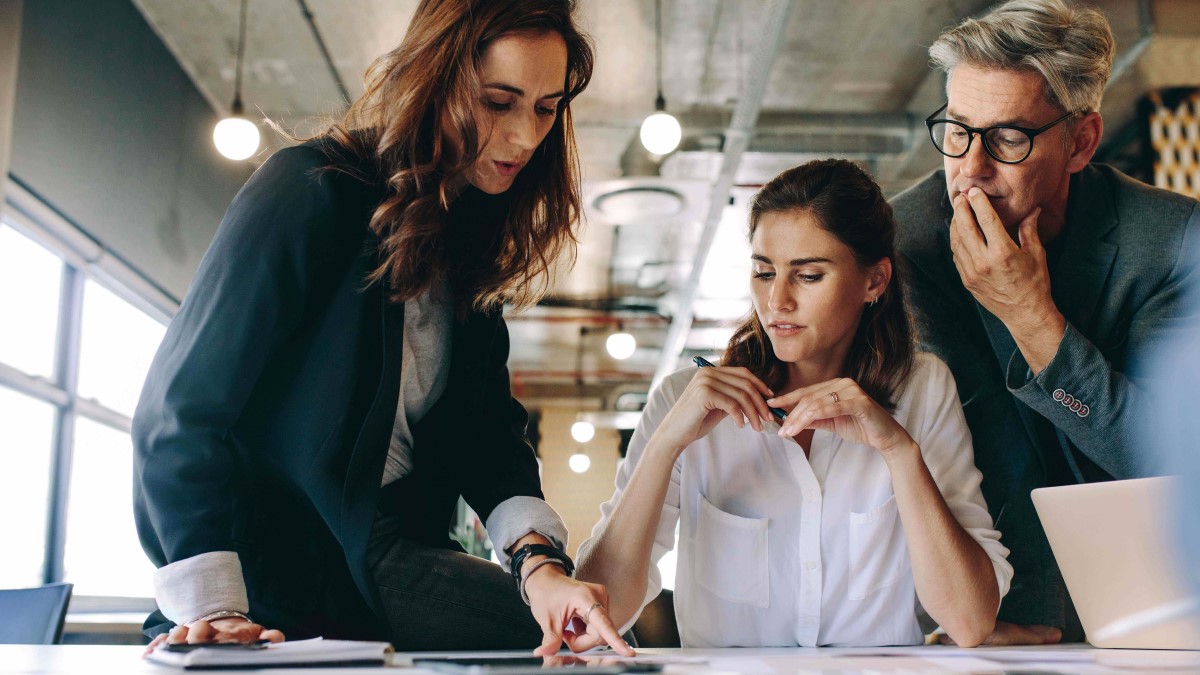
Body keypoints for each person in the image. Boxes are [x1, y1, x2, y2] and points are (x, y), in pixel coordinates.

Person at [132, 0, 633, 656]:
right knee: (587, 646)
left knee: (581, 629)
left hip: (388, 555)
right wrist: (214, 606)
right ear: (434, 79)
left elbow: (488, 440)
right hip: (287, 569)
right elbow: (179, 415)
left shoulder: (466, 242)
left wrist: (540, 565)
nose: (524, 137)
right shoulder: (309, 190)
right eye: (498, 102)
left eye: (546, 108)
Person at [575, 159, 1013, 648]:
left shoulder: (924, 389)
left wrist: (898, 451)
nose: (776, 301)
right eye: (764, 272)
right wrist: (664, 447)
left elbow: (969, 621)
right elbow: (597, 614)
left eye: (807, 276)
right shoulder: (683, 401)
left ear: (874, 281)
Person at [892, 0, 1200, 645]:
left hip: (1154, 591)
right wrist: (1011, 607)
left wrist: (1030, 318)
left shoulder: (1172, 242)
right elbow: (963, 441)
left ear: (1080, 142)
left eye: (1008, 138)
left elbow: (1163, 457)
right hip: (983, 606)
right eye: (957, 129)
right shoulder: (905, 243)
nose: (970, 170)